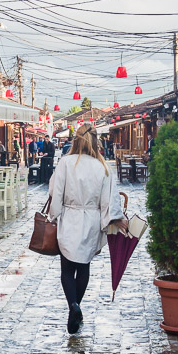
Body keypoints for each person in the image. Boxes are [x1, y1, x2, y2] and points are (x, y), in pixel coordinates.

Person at [49, 125, 128, 334]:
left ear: (76, 141)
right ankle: (76, 308)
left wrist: (53, 215)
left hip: (70, 217)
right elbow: (109, 199)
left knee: (66, 268)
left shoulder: (66, 163)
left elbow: (55, 192)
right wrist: (116, 219)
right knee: (83, 266)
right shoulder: (101, 166)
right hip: (91, 219)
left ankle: (73, 306)